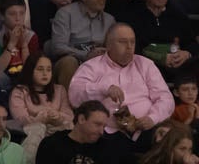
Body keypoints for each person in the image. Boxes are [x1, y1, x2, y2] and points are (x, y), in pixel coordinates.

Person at [67, 24, 174, 153]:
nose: (129, 47)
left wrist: (152, 118)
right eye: (123, 42)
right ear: (109, 45)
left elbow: (166, 99)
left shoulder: (146, 65)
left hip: (146, 130)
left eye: (132, 42)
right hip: (106, 132)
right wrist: (104, 89)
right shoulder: (91, 66)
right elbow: (74, 95)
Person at [123, 0, 198, 80]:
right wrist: (160, 58)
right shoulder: (131, 16)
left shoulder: (178, 15)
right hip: (144, 70)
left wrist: (187, 53)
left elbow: (192, 43)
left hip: (178, 70)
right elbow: (132, 49)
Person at [8, 51, 72, 162]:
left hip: (55, 128)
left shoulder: (59, 90)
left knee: (69, 127)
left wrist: (57, 116)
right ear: (30, 70)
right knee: (38, 128)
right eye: (40, 69)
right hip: (30, 130)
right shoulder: (20, 91)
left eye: (48, 70)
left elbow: (69, 115)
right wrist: (40, 119)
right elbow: (20, 118)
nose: (45, 74)